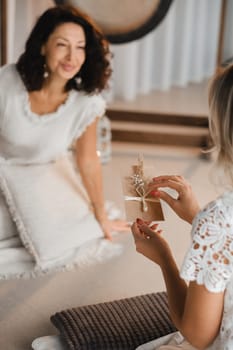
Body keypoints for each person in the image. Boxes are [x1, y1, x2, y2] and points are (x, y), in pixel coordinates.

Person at [0, 4, 129, 242]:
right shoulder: (7, 81)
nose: (72, 57)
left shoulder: (87, 103)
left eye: (80, 47)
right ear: (42, 46)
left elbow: (88, 161)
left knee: (57, 236)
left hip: (40, 186)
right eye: (62, 45)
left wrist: (100, 215)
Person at [131, 64, 233, 350]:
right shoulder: (217, 219)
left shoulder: (221, 217)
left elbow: (200, 336)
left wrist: (165, 259)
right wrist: (197, 218)